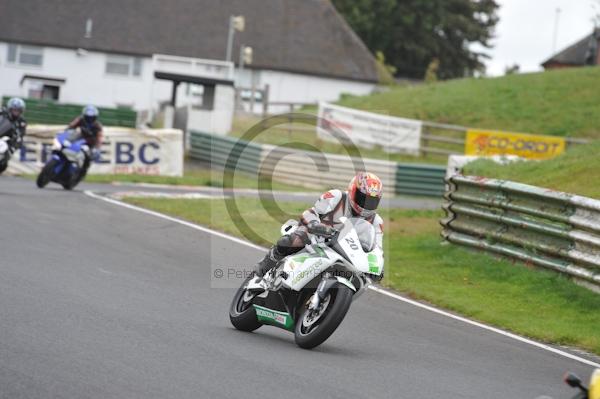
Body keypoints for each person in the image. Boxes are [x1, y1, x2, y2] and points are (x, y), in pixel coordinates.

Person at [256, 171, 384, 280]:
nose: (366, 204)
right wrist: (314, 224)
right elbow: (311, 212)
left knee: (358, 277)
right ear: (352, 190)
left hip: (346, 253)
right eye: (362, 198)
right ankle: (266, 265)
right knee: (297, 239)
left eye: (372, 201)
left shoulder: (376, 221)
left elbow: (377, 249)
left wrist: (378, 267)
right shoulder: (336, 196)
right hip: (316, 237)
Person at [67, 105, 103, 177]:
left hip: (91, 143)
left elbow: (99, 138)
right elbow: (71, 126)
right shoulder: (80, 119)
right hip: (81, 138)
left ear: (95, 117)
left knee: (89, 156)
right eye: (87, 117)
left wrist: (97, 148)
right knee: (68, 141)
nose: (89, 119)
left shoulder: (98, 126)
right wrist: (68, 129)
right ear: (84, 116)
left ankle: (82, 171)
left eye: (91, 118)